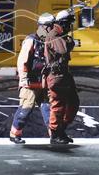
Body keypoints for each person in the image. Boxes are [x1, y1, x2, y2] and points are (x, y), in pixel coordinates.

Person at [8, 12, 54, 145]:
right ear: (45, 27)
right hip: (30, 83)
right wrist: (24, 79)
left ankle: (54, 135)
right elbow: (22, 60)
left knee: (48, 109)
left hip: (43, 82)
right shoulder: (31, 40)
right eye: (51, 27)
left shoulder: (48, 42)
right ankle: (14, 134)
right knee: (26, 109)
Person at [43, 9, 79, 145]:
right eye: (69, 23)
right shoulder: (55, 35)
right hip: (56, 75)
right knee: (58, 105)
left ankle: (61, 130)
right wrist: (70, 41)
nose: (71, 26)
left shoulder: (61, 34)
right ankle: (55, 133)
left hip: (64, 74)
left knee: (73, 103)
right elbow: (64, 49)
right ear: (64, 23)